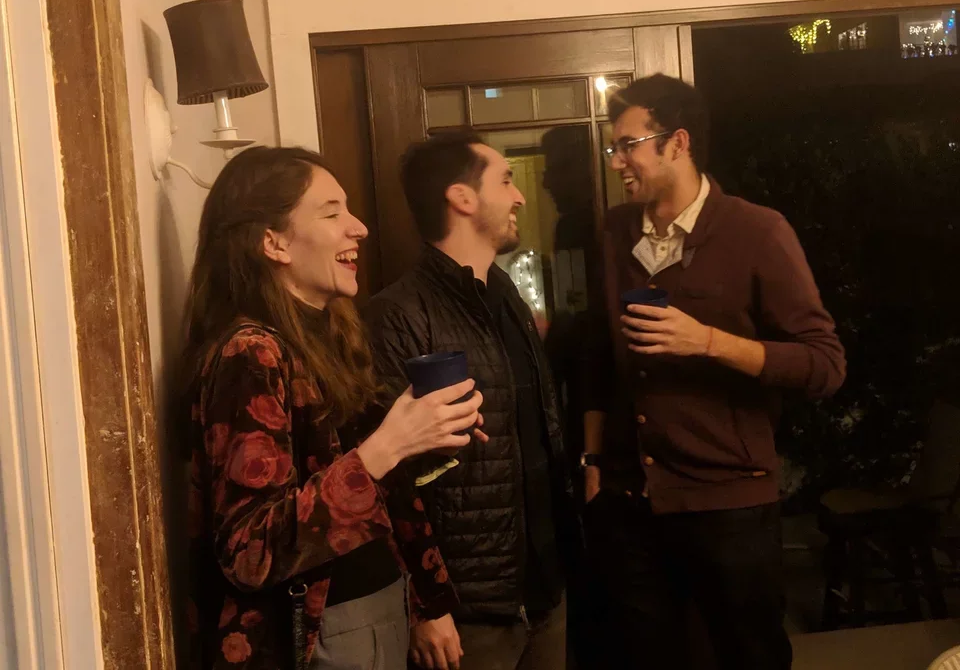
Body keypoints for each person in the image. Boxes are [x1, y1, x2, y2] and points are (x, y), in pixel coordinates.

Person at [177, 146, 483, 670]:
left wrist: (426, 441)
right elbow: (250, 550)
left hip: (381, 606)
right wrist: (390, 446)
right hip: (319, 631)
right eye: (332, 212)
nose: (358, 227)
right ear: (272, 242)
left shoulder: (331, 333)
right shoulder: (250, 353)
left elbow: (362, 487)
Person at [581, 74, 846, 670]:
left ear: (677, 142)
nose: (617, 161)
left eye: (628, 145)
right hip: (630, 500)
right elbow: (600, 354)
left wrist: (707, 341)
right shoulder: (616, 231)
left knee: (747, 657)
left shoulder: (757, 230)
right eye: (613, 148)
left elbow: (825, 366)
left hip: (729, 503)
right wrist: (594, 461)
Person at [363, 133, 578, 670]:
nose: (520, 197)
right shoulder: (396, 315)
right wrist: (424, 606)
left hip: (544, 590)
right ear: (462, 199)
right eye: (505, 181)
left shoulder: (508, 297)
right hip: (466, 614)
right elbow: (390, 481)